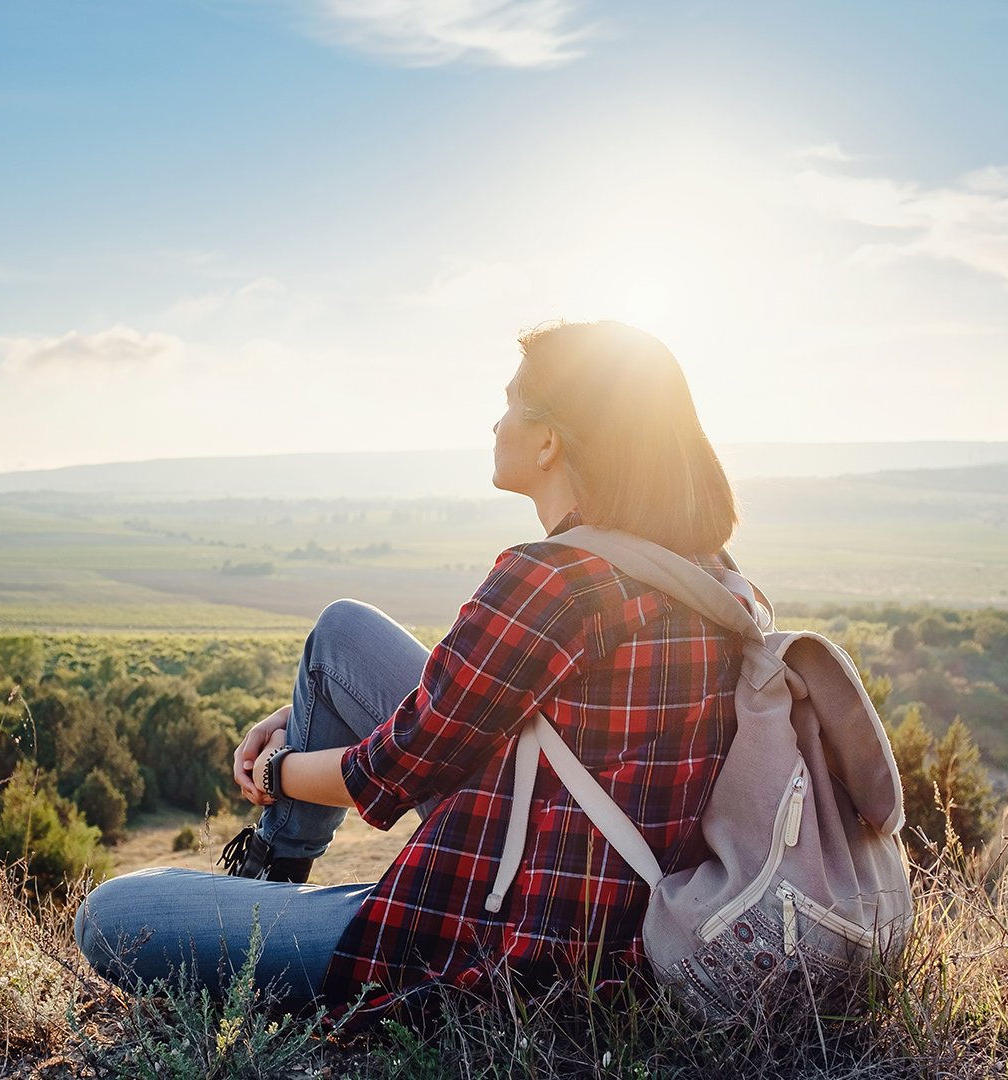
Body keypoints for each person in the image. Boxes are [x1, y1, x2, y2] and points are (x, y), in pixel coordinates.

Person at [74, 319, 752, 1020]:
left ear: (549, 440)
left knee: (110, 916)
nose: (497, 420)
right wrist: (307, 720)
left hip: (511, 943)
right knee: (343, 635)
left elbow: (391, 771)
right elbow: (479, 717)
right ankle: (274, 875)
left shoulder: (555, 580)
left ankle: (273, 888)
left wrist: (274, 772)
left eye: (512, 401)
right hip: (623, 903)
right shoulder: (710, 578)